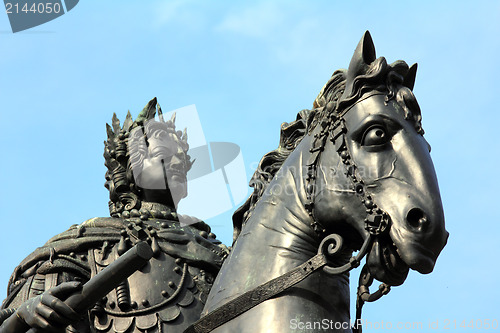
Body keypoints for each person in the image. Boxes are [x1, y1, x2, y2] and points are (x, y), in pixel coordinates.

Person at [0, 98, 228, 333]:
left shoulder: (220, 254)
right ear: (132, 170)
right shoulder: (85, 248)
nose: (177, 161)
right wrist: (21, 317)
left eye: (182, 157)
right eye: (162, 154)